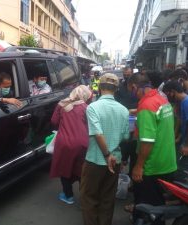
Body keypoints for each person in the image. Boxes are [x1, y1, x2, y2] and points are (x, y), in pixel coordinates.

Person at [127, 73, 177, 225]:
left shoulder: (147, 105)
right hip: (167, 162)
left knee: (149, 210)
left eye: (131, 90)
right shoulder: (161, 99)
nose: (132, 93)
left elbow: (147, 141)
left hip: (152, 166)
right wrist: (138, 112)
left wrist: (139, 166)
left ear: (135, 87)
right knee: (158, 204)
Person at [80, 73, 129, 225]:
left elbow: (98, 133)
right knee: (107, 198)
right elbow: (125, 137)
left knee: (89, 197)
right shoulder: (124, 110)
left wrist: (107, 154)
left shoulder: (93, 107)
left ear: (100, 87)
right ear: (116, 89)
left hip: (95, 160)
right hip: (115, 160)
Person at [50, 85, 93, 205]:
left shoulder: (62, 105)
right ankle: (85, 199)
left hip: (64, 143)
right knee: (81, 170)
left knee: (65, 168)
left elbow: (54, 121)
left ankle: (68, 196)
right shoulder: (86, 107)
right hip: (82, 143)